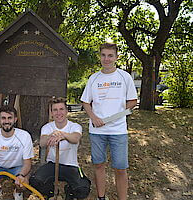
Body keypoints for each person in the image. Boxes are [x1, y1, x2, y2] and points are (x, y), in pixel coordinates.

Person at [80, 43, 137, 200]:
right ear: (100, 57)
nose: (106, 59)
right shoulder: (94, 78)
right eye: (103, 55)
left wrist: (116, 115)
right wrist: (94, 118)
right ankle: (101, 197)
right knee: (98, 165)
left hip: (118, 131)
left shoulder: (125, 77)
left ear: (116, 57)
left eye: (110, 55)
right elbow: (85, 102)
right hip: (97, 132)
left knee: (120, 168)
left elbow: (132, 102)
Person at [29, 97, 91, 200]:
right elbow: (42, 143)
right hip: (52, 164)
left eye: (61, 109)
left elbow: (75, 138)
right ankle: (50, 191)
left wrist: (62, 135)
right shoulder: (47, 127)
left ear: (66, 111)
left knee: (82, 190)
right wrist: (51, 136)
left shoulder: (74, 126)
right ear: (51, 113)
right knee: (35, 181)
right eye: (55, 110)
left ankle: (69, 191)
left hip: (71, 165)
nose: (58, 113)